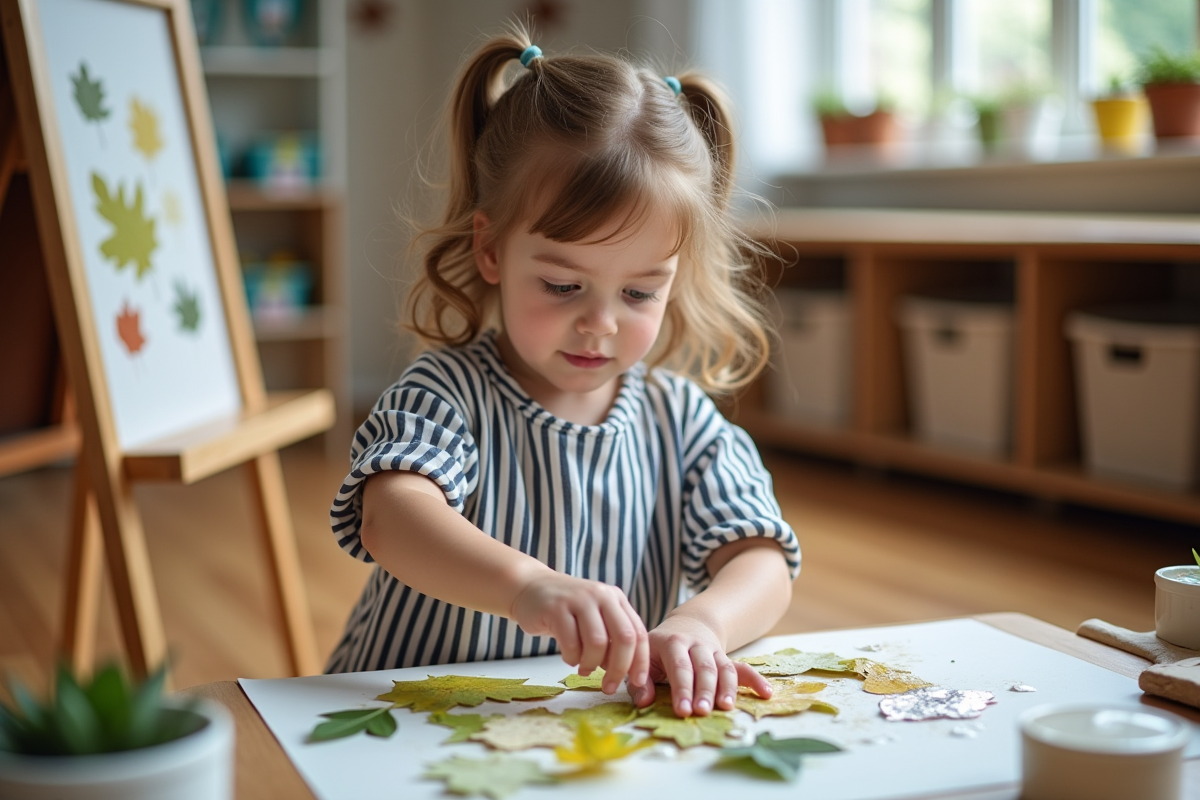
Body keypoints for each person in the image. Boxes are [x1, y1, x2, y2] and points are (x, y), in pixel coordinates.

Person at [326, 25, 800, 719]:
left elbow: (762, 558)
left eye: (639, 293)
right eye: (562, 285)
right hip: (409, 717)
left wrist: (706, 622)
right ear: (492, 250)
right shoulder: (445, 395)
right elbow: (392, 520)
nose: (600, 323)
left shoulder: (683, 420)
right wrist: (528, 587)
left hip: (574, 729)